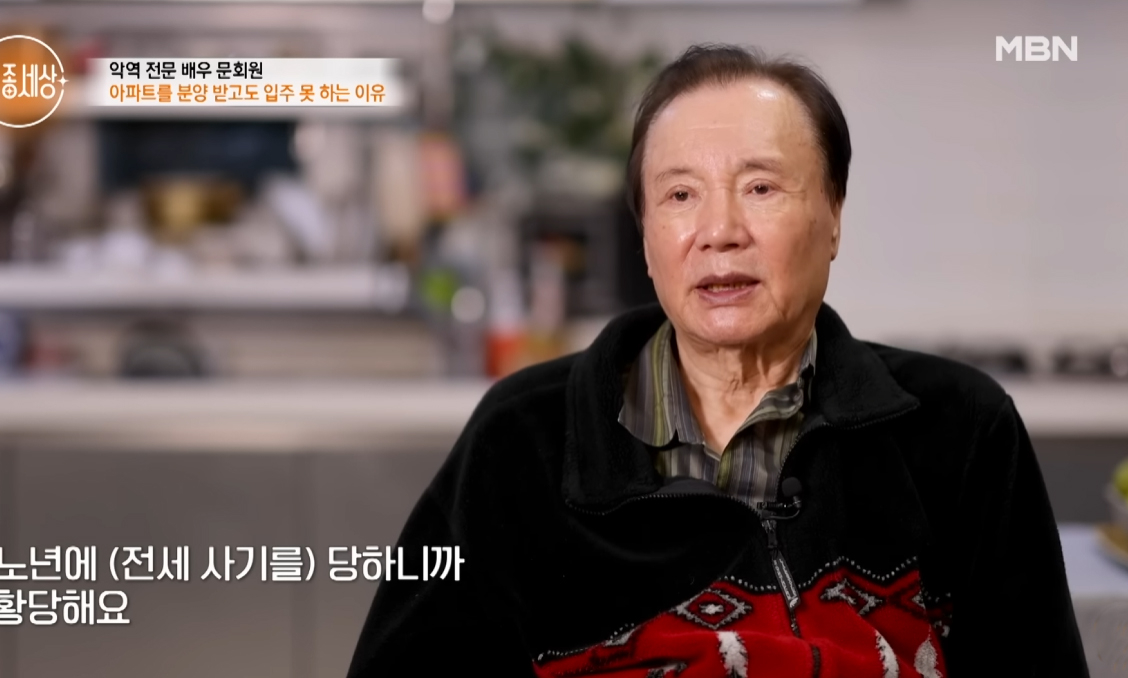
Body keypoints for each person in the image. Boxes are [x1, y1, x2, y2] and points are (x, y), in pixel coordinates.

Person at [347, 44, 1088, 677]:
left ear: (833, 215)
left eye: (761, 188)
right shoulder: (523, 440)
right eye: (680, 195)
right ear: (646, 238)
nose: (719, 230)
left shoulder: (961, 430)